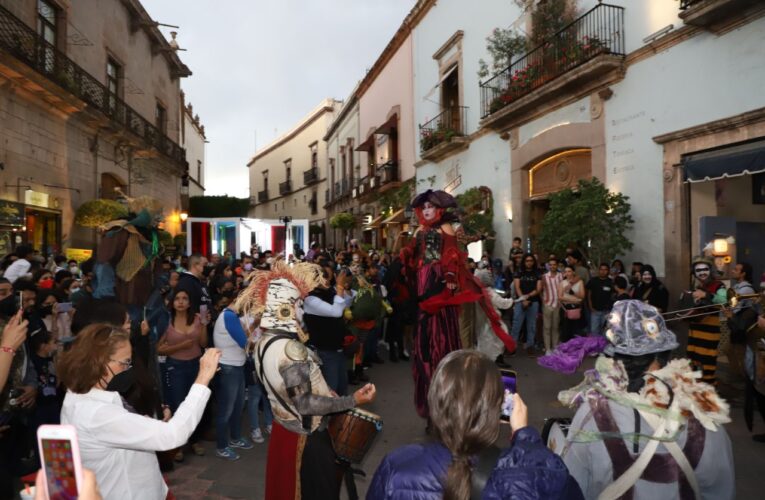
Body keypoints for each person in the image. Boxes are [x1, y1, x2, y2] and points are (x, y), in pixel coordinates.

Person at [559, 301, 734, 499]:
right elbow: (721, 490)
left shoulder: (592, 414)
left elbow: (572, 486)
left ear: (611, 357)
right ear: (665, 355)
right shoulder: (704, 414)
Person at [367, 349, 583, 499]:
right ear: (498, 410)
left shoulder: (397, 465)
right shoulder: (535, 473)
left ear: (434, 402)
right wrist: (524, 436)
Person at [243, 260, 376, 499]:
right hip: (306, 440)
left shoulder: (262, 342)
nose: (300, 311)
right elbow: (304, 404)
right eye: (297, 305)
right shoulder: (290, 351)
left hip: (285, 432)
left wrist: (325, 391)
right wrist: (352, 400)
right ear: (284, 308)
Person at [58, 324, 221, 500]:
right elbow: (174, 435)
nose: (129, 368)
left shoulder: (78, 395)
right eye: (125, 362)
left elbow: (119, 427)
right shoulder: (96, 413)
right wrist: (203, 378)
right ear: (101, 363)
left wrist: (145, 423)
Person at [399, 190, 515, 420]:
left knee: (442, 333)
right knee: (424, 338)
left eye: (431, 206)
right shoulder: (420, 230)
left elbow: (452, 254)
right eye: (424, 208)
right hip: (423, 280)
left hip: (439, 282)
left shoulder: (446, 228)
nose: (428, 210)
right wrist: (406, 256)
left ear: (439, 209)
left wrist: (450, 275)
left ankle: (448, 399)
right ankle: (431, 397)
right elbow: (413, 254)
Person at [156, 289, 207, 461]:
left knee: (196, 403)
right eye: (177, 299)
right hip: (175, 366)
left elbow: (203, 343)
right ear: (172, 302)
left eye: (185, 298)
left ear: (190, 302)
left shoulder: (198, 319)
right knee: (178, 404)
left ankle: (194, 441)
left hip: (195, 365)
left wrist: (205, 325)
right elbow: (158, 348)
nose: (181, 302)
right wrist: (180, 346)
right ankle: (178, 444)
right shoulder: (167, 321)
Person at [211, 300, 253, 460]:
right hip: (229, 368)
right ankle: (221, 446)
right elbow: (245, 343)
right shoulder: (229, 316)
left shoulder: (231, 316)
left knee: (238, 406)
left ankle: (235, 438)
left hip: (237, 366)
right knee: (226, 410)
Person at [303, 265, 354, 395]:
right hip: (325, 351)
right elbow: (336, 311)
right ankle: (329, 415)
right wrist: (340, 287)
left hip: (339, 348)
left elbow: (346, 304)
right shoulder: (310, 299)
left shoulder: (330, 291)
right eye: (324, 277)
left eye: (328, 276)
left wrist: (345, 288)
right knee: (330, 391)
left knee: (342, 388)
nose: (327, 280)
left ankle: (341, 414)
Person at [686, 256, 727, 384]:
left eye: (705, 269)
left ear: (710, 270)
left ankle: (708, 385)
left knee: (707, 357)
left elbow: (724, 301)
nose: (702, 273)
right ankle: (695, 382)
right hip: (696, 326)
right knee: (693, 355)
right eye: (698, 270)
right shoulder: (696, 285)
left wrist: (706, 295)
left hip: (709, 328)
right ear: (694, 273)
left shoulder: (718, 285)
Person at [474, 269, 514, 366]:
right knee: (499, 340)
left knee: (485, 341)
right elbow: (502, 303)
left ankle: (485, 360)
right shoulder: (490, 292)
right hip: (492, 320)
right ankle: (496, 360)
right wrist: (512, 300)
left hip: (482, 321)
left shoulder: (478, 292)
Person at [511, 253, 543, 356]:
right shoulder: (519, 272)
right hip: (520, 302)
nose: (529, 263)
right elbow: (517, 287)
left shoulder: (537, 273)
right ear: (524, 262)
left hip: (533, 302)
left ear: (534, 262)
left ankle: (530, 346)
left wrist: (527, 297)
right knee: (516, 325)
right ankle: (512, 347)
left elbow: (538, 289)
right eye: (527, 261)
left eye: (531, 261)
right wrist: (523, 299)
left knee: (531, 326)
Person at [542, 256, 564, 354]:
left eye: (554, 265)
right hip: (548, 304)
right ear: (548, 266)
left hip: (558, 304)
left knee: (555, 327)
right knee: (547, 327)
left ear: (557, 265)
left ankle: (555, 347)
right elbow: (541, 289)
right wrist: (544, 301)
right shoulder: (544, 276)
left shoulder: (561, 276)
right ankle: (547, 348)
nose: (552, 266)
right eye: (550, 265)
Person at [586, 263, 614, 336]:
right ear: (599, 270)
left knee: (605, 332)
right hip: (595, 310)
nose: (603, 271)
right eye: (601, 269)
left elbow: (613, 295)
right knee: (594, 331)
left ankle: (603, 347)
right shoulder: (593, 281)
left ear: (608, 271)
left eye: (605, 270)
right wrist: (591, 307)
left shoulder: (611, 282)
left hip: (607, 311)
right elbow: (589, 294)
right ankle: (595, 347)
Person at [559, 265, 586, 341]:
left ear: (573, 272)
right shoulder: (562, 283)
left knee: (576, 331)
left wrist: (572, 292)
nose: (567, 273)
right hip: (566, 309)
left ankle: (575, 348)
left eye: (569, 271)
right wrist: (573, 300)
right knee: (565, 330)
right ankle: (566, 348)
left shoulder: (580, 282)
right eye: (566, 271)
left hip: (576, 309)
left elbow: (582, 296)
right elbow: (560, 297)